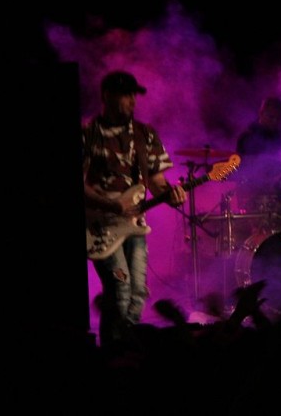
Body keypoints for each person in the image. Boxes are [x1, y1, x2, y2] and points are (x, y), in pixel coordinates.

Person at [83, 70, 187, 352]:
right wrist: (113, 204)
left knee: (138, 293)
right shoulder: (88, 134)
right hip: (100, 227)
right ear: (107, 96)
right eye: (126, 95)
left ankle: (125, 348)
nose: (132, 101)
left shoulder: (145, 134)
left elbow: (156, 181)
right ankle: (113, 354)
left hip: (135, 225)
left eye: (134, 95)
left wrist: (171, 194)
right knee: (120, 289)